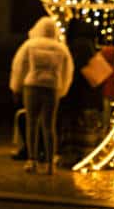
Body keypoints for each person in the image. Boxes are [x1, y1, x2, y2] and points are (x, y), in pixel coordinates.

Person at [9, 16, 73, 174]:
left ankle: (32, 160)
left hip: (32, 85)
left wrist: (16, 87)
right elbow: (67, 71)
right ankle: (50, 163)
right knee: (49, 125)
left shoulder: (29, 45)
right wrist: (62, 89)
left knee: (32, 123)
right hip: (52, 87)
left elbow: (20, 67)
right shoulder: (61, 48)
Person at [58, 19, 110, 168]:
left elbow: (74, 73)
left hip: (81, 98)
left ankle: (76, 158)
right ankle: (87, 156)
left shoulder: (79, 46)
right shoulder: (89, 45)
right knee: (89, 128)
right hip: (92, 97)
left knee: (77, 130)